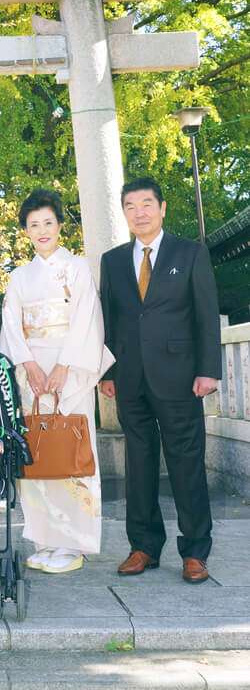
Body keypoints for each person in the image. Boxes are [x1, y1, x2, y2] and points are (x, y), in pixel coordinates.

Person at [99, 177, 222, 584]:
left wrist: (209, 370)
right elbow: (111, 321)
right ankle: (144, 546)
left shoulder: (190, 253)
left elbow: (205, 315)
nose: (140, 212)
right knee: (139, 464)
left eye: (147, 203)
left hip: (181, 378)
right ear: (124, 213)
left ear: (162, 207)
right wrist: (110, 372)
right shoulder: (113, 260)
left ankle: (195, 551)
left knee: (186, 463)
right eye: (131, 206)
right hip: (130, 379)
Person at [0, 188, 114, 575]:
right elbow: (11, 326)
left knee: (71, 446)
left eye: (48, 222)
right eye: (34, 225)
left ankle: (74, 543)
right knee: (38, 448)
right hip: (32, 374)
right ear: (26, 231)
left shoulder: (78, 268)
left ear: (60, 225)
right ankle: (45, 539)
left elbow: (86, 320)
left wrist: (64, 367)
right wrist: (29, 365)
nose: (42, 230)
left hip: (70, 371)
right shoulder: (19, 277)